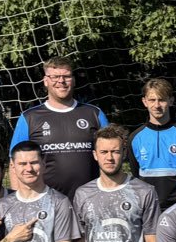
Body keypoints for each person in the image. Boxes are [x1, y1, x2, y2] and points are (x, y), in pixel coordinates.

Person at [9, 56, 110, 198]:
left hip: (91, 199)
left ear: (73, 80)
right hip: (45, 202)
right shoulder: (29, 118)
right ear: (45, 81)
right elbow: (14, 164)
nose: (61, 81)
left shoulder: (94, 114)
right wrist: (18, 201)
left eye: (66, 76)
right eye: (55, 76)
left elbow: (110, 157)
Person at [130, 78, 176, 207]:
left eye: (161, 100)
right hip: (147, 206)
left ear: (171, 101)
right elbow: (135, 175)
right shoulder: (135, 137)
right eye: (152, 100)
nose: (157, 105)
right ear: (144, 102)